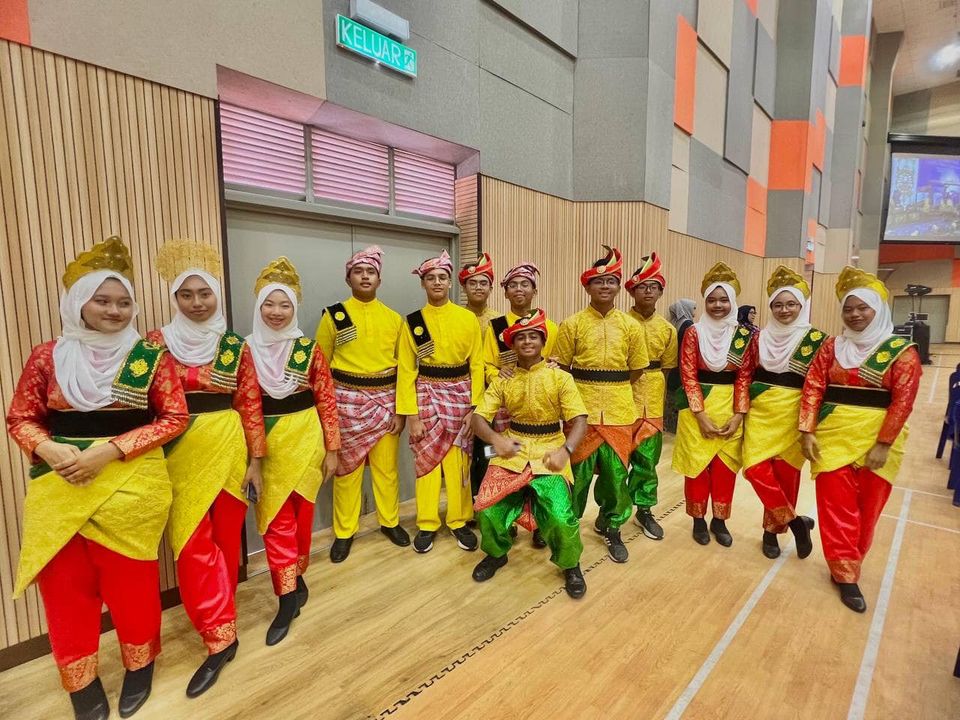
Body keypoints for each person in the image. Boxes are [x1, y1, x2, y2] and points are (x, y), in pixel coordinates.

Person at [6, 237, 188, 720]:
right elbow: (20, 418)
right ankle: (81, 682)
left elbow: (174, 418)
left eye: (124, 301)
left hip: (132, 484)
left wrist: (109, 451)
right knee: (66, 589)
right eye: (102, 300)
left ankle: (140, 665)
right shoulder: (48, 357)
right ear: (77, 303)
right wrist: (48, 447)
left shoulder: (149, 355)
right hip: (61, 483)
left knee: (132, 585)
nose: (114, 310)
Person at [148, 240, 265, 697]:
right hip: (177, 453)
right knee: (192, 546)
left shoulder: (235, 345)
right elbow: (135, 403)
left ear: (217, 295)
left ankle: (222, 620)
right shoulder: (153, 344)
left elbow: (251, 404)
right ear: (174, 298)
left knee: (223, 538)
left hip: (229, 448)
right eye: (186, 295)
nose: (197, 303)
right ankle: (219, 638)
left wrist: (256, 463)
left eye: (205, 294)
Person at [799, 267, 921, 613]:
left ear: (878, 308)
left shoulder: (902, 352)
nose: (854, 315)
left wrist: (883, 443)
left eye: (862, 308)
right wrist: (807, 429)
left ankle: (851, 561)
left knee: (867, 511)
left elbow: (903, 400)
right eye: (848, 309)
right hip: (833, 435)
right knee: (836, 508)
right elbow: (814, 387)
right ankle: (845, 574)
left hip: (879, 442)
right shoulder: (830, 347)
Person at [247, 257, 341, 645]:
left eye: (284, 305)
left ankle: (296, 574)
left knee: (302, 520)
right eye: (270, 304)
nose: (276, 312)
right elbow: (246, 404)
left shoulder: (308, 349)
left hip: (306, 440)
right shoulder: (244, 350)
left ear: (294, 308)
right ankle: (286, 597)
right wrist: (253, 455)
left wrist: (333, 449)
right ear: (258, 306)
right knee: (274, 521)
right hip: (266, 446)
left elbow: (327, 400)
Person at [471, 310, 589, 598]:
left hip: (551, 450)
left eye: (533, 336)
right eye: (520, 337)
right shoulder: (503, 379)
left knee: (562, 517)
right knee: (485, 507)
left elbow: (581, 420)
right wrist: (495, 440)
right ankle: (497, 554)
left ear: (543, 341)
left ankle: (570, 564)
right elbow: (477, 419)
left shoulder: (560, 378)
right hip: (513, 449)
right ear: (512, 345)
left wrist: (566, 450)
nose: (526, 341)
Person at [554, 246, 648, 563]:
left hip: (620, 411)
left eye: (611, 281)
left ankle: (611, 527)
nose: (605, 286)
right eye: (599, 282)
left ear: (619, 286)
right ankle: (566, 531)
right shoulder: (572, 324)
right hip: (581, 412)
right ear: (587, 286)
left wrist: (612, 385)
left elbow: (637, 369)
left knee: (614, 478)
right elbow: (561, 369)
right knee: (575, 478)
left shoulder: (631, 327)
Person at [316, 246, 408, 563]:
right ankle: (344, 532)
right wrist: (325, 414)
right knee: (347, 471)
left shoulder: (395, 319)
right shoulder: (334, 315)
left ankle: (390, 521)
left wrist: (400, 411)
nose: (365, 276)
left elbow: (404, 371)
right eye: (359, 271)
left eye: (370, 272)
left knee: (387, 470)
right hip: (346, 405)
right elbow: (321, 368)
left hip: (386, 403)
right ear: (349, 277)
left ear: (379, 280)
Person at [398, 250, 484, 553]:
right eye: (430, 278)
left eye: (442, 278)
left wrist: (474, 408)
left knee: (458, 462)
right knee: (426, 464)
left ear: (450, 283)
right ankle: (427, 522)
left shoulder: (467, 319)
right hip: (425, 398)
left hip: (461, 398)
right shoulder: (412, 322)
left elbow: (477, 365)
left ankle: (459, 520)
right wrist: (411, 415)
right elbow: (406, 370)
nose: (437, 282)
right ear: (423, 283)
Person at [672, 262, 754, 547]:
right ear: (704, 301)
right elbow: (688, 373)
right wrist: (700, 414)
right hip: (698, 409)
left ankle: (719, 521)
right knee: (696, 468)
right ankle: (697, 520)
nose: (717, 305)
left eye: (723, 300)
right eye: (711, 300)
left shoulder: (744, 335)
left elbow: (745, 376)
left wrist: (739, 415)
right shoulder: (694, 332)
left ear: (732, 302)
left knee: (724, 468)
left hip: (730, 407)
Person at [741, 266, 819, 560]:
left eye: (791, 304)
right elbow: (746, 375)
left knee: (785, 475)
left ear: (801, 306)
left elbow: (817, 384)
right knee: (754, 468)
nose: (784, 310)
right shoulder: (758, 338)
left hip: (794, 415)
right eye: (777, 304)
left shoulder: (816, 340)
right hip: (761, 413)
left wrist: (808, 425)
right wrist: (742, 410)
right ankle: (796, 523)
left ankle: (771, 532)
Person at [480, 261, 559, 548]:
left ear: (535, 290)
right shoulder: (497, 326)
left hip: (541, 414)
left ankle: (538, 524)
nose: (519, 289)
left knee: (539, 468)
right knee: (501, 461)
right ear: (505, 291)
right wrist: (498, 375)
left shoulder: (550, 325)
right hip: (504, 408)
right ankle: (507, 518)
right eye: (512, 285)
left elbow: (557, 362)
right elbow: (486, 364)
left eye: (525, 284)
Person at [624, 253, 678, 540]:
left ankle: (644, 510)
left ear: (660, 292)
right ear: (632, 290)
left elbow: (667, 369)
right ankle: (613, 513)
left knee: (647, 459)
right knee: (617, 461)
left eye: (653, 286)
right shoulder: (620, 322)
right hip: (620, 399)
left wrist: (656, 397)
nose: (648, 291)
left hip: (653, 400)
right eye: (642, 286)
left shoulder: (668, 330)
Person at [665, 299, 696, 434]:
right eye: (694, 308)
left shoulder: (675, 323)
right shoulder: (688, 325)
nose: (695, 312)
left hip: (671, 367)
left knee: (670, 398)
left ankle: (670, 426)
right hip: (681, 369)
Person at [460, 252, 498, 336]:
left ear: (490, 289)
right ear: (464, 288)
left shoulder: (498, 320)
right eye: (473, 283)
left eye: (483, 283)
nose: (478, 287)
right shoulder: (456, 319)